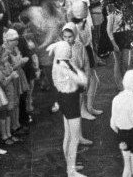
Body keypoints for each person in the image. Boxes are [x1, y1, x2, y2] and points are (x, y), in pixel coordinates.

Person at [51, 27, 87, 177]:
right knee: (74, 138)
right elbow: (81, 80)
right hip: (70, 100)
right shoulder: (63, 67)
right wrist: (79, 72)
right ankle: (70, 170)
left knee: (68, 135)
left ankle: (69, 164)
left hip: (65, 99)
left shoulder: (60, 63)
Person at [110, 70, 133, 177]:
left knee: (127, 167)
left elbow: (112, 123)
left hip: (121, 136)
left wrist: (120, 132)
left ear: (123, 82)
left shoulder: (116, 99)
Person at [107, 0, 133, 91]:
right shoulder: (112, 15)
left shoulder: (128, 13)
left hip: (126, 37)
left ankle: (126, 83)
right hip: (117, 38)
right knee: (118, 62)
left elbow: (130, 26)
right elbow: (109, 31)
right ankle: (120, 85)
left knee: (126, 62)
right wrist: (114, 44)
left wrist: (130, 38)